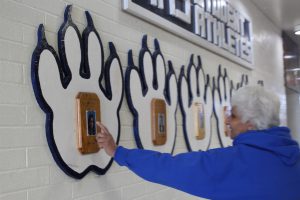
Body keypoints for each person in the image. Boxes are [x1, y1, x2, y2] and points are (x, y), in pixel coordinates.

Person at [96, 86, 300, 199]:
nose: (227, 120)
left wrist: (117, 152)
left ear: (250, 124)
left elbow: (169, 167)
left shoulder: (232, 163)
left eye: (234, 116)